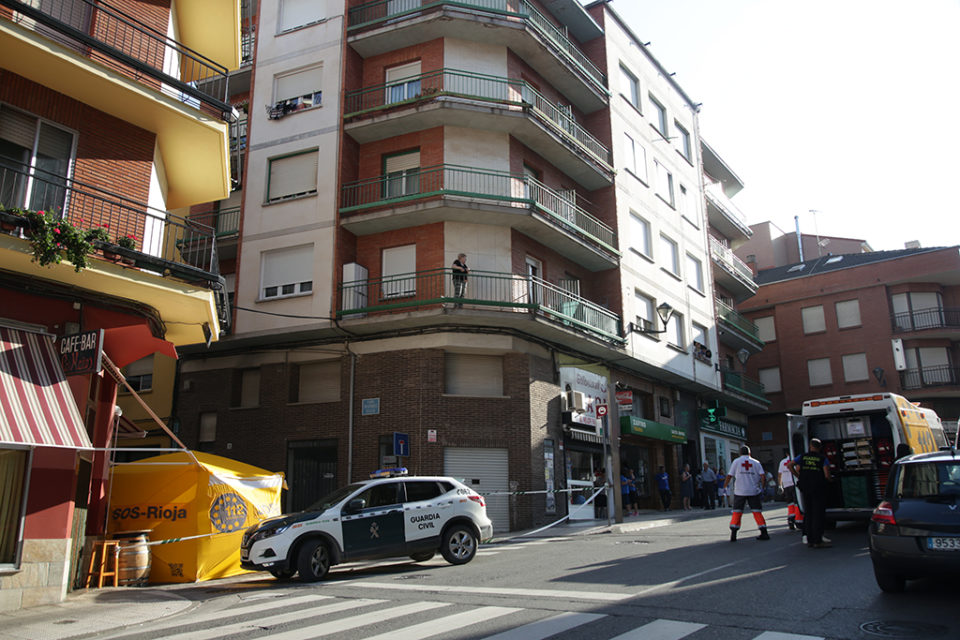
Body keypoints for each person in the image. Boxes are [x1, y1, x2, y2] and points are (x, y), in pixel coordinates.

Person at [792, 438, 832, 548]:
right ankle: (817, 540)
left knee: (808, 513)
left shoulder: (802, 456)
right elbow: (827, 475)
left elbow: (790, 465)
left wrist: (798, 476)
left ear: (810, 446)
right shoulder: (822, 459)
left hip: (805, 488)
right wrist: (830, 481)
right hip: (818, 488)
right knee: (817, 513)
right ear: (820, 448)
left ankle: (809, 538)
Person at [724, 445, 770, 541]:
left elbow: (729, 475)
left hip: (740, 491)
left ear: (740, 453)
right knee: (757, 511)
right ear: (749, 453)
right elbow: (763, 476)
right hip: (753, 491)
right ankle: (764, 532)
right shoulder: (756, 462)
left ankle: (733, 534)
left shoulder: (736, 462)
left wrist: (725, 485)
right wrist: (762, 487)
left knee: (737, 512)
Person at [777, 453, 801, 531]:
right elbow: (798, 470)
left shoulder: (782, 462)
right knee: (797, 503)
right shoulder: (795, 460)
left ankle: (790, 520)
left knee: (790, 504)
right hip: (794, 483)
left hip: (786, 485)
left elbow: (779, 474)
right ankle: (798, 521)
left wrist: (780, 485)